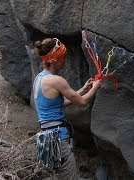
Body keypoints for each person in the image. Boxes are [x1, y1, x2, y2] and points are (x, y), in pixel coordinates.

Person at [33, 38, 101, 180]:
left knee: (57, 176)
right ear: (54, 60)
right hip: (58, 139)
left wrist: (82, 89)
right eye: (62, 58)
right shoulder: (56, 80)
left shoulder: (39, 78)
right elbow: (82, 102)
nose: (64, 61)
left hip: (46, 139)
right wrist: (95, 87)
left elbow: (57, 103)